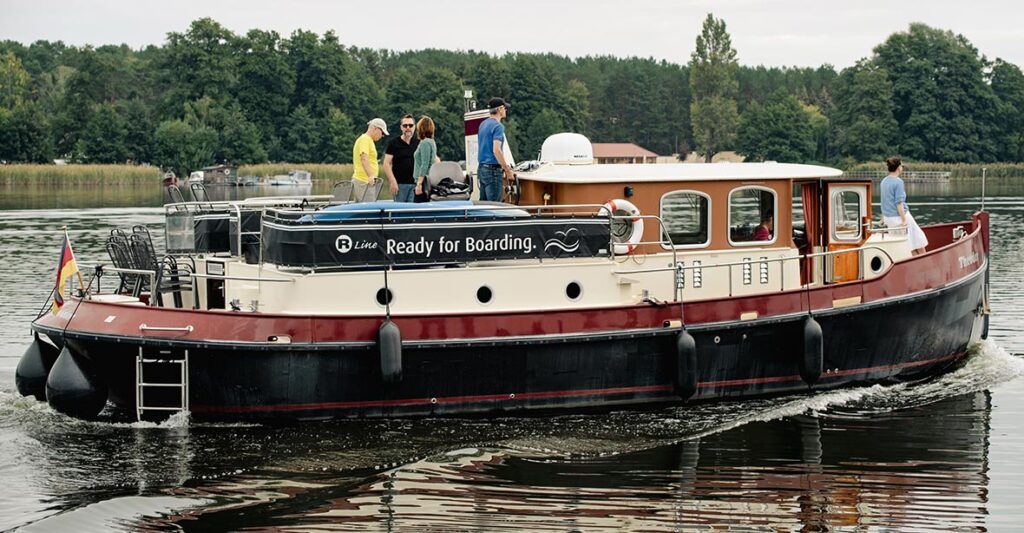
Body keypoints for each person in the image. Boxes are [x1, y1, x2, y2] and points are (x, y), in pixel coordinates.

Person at [880, 156, 928, 255]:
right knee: (919, 242)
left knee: (909, 245)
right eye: (902, 166)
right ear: (898, 168)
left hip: (889, 219)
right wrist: (904, 220)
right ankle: (925, 262)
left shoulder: (884, 181)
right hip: (900, 217)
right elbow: (899, 203)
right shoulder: (898, 182)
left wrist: (883, 217)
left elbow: (885, 201)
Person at [476, 97, 514, 202]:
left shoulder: (482, 124)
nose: (506, 110)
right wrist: (508, 170)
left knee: (483, 205)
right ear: (499, 109)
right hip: (493, 171)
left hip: (482, 169)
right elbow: (496, 150)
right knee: (494, 207)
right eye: (505, 108)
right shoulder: (498, 126)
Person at [383, 114, 419, 203]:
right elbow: (386, 163)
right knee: (399, 212)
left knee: (412, 212)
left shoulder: (419, 143)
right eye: (405, 125)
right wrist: (392, 181)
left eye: (410, 125)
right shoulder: (394, 143)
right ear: (401, 127)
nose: (408, 128)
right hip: (399, 185)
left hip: (415, 184)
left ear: (415, 127)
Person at [352, 118, 388, 202]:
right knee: (369, 210)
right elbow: (364, 158)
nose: (382, 136)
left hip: (363, 181)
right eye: (382, 132)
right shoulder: (365, 139)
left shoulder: (367, 140)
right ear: (375, 128)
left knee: (361, 210)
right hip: (364, 181)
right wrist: (371, 176)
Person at [412, 116, 439, 202]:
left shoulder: (425, 143)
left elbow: (425, 164)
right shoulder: (432, 142)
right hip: (428, 180)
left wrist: (419, 183)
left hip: (423, 182)